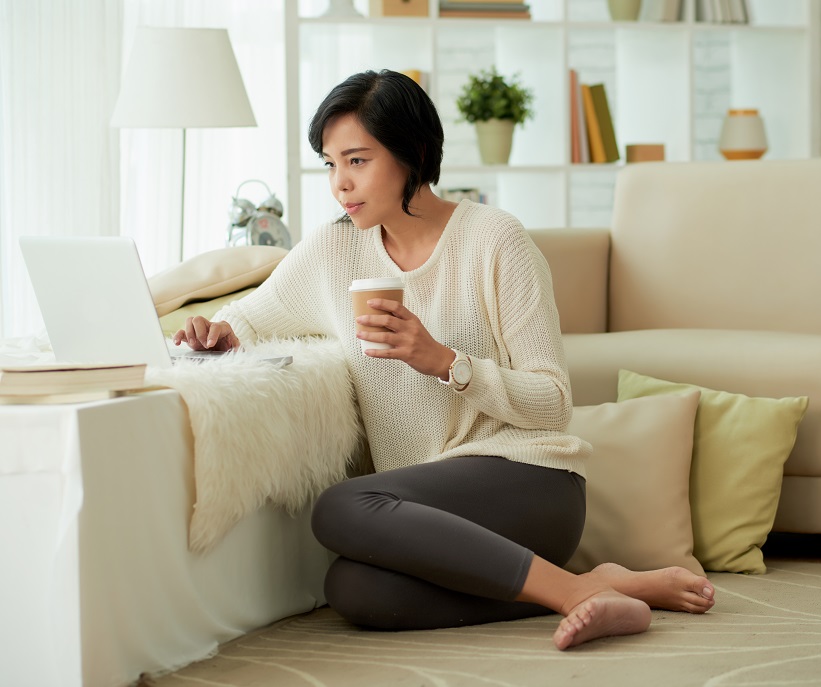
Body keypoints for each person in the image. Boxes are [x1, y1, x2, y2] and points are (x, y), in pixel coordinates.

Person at [173, 69, 715, 650]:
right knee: (354, 588)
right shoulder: (333, 250)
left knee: (342, 506)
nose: (340, 185)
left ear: (415, 151)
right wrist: (218, 334)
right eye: (330, 164)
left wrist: (443, 361)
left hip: (530, 484)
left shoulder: (495, 241)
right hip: (431, 513)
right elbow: (256, 316)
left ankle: (576, 595)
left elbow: (554, 403)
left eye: (357, 160)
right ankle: (591, 583)